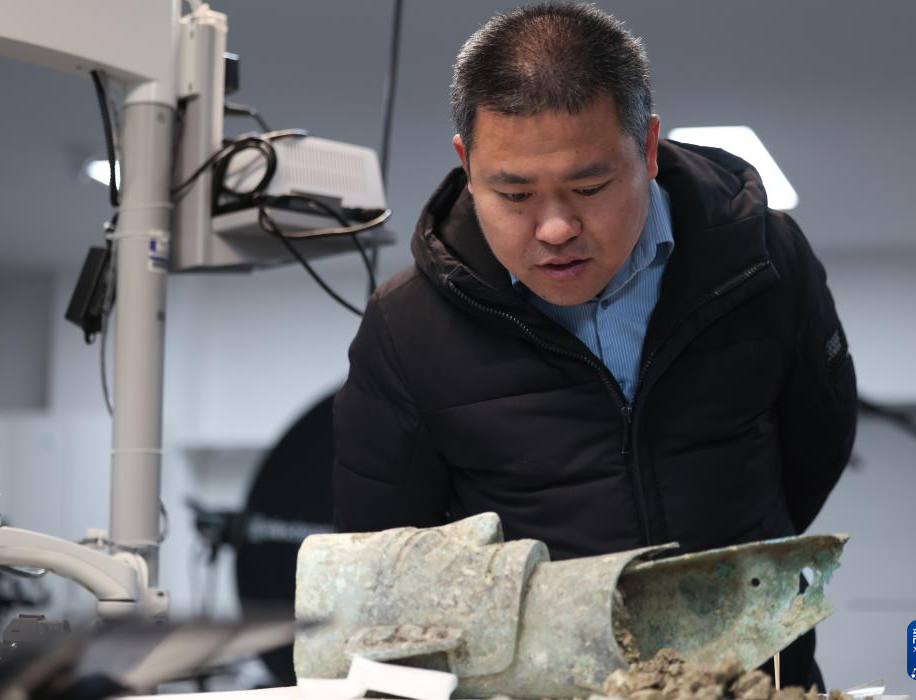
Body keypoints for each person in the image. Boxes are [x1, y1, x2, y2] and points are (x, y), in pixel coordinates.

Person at [332, 2, 857, 691]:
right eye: (514, 194)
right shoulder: (407, 327)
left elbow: (817, 446)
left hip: (750, 677)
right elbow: (386, 567)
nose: (555, 228)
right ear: (467, 165)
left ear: (648, 149)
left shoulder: (758, 261)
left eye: (589, 186)